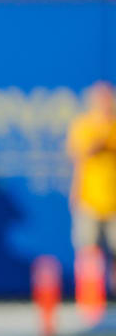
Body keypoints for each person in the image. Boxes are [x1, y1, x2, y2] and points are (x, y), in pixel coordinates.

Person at [67, 81, 116, 294]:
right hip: (89, 197)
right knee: (88, 249)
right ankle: (89, 297)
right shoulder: (85, 125)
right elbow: (81, 153)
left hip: (114, 199)